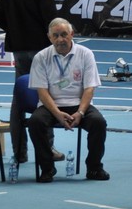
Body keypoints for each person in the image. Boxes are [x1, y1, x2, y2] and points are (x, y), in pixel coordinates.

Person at [0, 0, 61, 165]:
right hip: (41, 50)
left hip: (19, 50)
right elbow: (52, 23)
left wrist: (14, 29)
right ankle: (47, 149)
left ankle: (19, 152)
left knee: (19, 99)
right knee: (45, 97)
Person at [27, 18, 109, 182]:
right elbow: (42, 92)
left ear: (72, 34)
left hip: (79, 105)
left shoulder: (85, 54)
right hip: (51, 106)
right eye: (55, 36)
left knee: (99, 123)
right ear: (49, 38)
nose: (60, 39)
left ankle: (94, 168)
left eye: (64, 34)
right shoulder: (41, 57)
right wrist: (57, 114)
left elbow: (89, 88)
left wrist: (81, 112)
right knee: (35, 122)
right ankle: (47, 168)